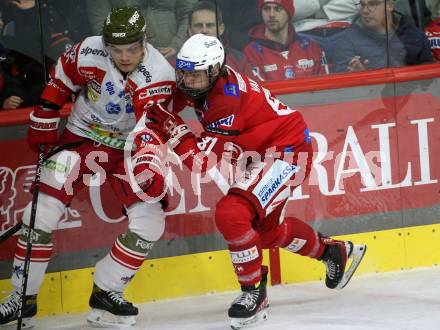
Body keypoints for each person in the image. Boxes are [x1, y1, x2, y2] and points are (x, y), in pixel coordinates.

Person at [146, 33, 367, 329]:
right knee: (264, 234)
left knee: (231, 213)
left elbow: (200, 163)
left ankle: (253, 293)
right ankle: (332, 252)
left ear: (214, 71)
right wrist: (148, 107)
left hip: (286, 153)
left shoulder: (226, 100)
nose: (186, 81)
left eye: (194, 75)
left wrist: (173, 129)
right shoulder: (208, 82)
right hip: (262, 153)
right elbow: (171, 99)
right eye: (182, 73)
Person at [0, 7, 175, 328]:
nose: (124, 57)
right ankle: (22, 297)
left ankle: (106, 291)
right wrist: (47, 110)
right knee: (39, 213)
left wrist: (152, 160)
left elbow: (155, 127)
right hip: (82, 136)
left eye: (132, 49)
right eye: (117, 50)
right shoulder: (89, 49)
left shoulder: (160, 74)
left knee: (151, 222)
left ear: (144, 42)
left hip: (130, 147)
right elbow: (62, 75)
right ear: (106, 45)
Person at [331, 0, 433, 73]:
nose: (365, 11)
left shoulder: (413, 34)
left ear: (390, 5)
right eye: (362, 5)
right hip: (368, 99)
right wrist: (359, 77)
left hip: (412, 98)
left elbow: (429, 80)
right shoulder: (347, 39)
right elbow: (340, 90)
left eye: (372, 4)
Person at [243, 0, 329, 81]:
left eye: (278, 9)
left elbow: (324, 91)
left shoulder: (311, 48)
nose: (271, 14)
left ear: (289, 13)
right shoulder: (251, 53)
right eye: (267, 9)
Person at [86, 0, 198, 59]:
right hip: (127, 60)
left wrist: (177, 45)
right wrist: (130, 50)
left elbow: (192, 14)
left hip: (177, 56)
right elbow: (101, 26)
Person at [187, 0, 245, 72]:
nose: (204, 30)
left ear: (221, 29)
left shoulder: (239, 59)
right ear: (189, 31)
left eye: (210, 25)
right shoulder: (177, 63)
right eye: (198, 25)